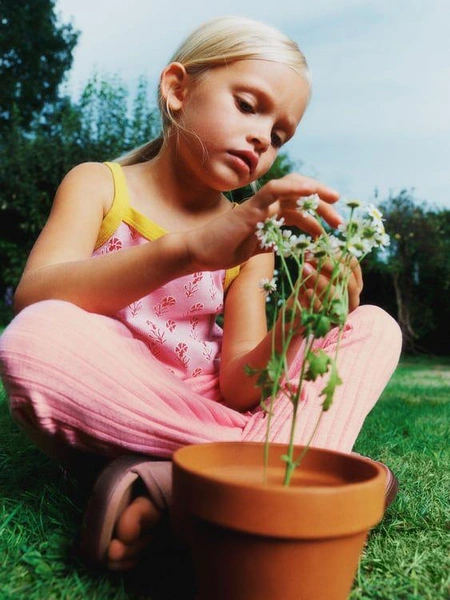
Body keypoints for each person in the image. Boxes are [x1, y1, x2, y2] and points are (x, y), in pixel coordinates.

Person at [0, 15, 402, 572]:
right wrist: (189, 251)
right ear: (178, 89)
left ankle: (168, 487)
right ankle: (287, 472)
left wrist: (295, 323)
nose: (263, 137)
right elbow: (34, 298)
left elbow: (238, 386)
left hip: (205, 400)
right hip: (118, 398)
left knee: (373, 327)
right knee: (35, 338)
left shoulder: (254, 240)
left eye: (280, 135)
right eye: (248, 105)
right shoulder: (98, 184)